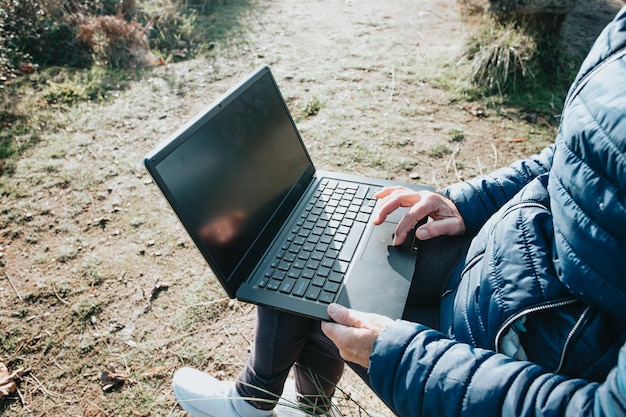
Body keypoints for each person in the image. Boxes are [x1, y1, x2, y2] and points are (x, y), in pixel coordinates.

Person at [171, 4, 626, 417]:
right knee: (314, 240)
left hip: (508, 349)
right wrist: (468, 202)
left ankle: (252, 403)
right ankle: (300, 406)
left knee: (305, 288)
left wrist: (400, 355)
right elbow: (567, 155)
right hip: (500, 263)